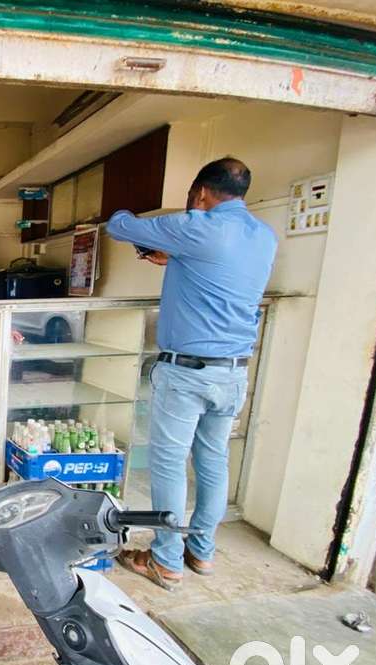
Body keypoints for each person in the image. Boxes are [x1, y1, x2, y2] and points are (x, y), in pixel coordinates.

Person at [105, 158, 277, 591]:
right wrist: (178, 257)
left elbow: (119, 225)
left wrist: (163, 234)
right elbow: (218, 275)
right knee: (213, 463)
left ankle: (165, 560)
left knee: (168, 465)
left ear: (200, 193)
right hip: (233, 373)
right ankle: (201, 551)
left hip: (187, 374)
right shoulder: (263, 236)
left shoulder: (196, 226)